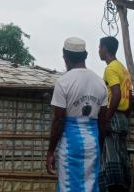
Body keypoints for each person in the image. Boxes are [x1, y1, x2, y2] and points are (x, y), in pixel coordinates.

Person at [46, 37, 108, 192]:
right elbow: (103, 121)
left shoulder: (63, 82)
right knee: (90, 186)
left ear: (65, 57)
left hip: (70, 144)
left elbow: (59, 120)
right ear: (85, 56)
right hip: (93, 144)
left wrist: (50, 151)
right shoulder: (100, 83)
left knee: (68, 186)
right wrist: (99, 149)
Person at [98, 37, 132, 192]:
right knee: (121, 158)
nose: (99, 51)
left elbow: (116, 95)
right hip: (123, 117)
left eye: (100, 47)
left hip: (115, 117)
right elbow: (128, 96)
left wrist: (106, 118)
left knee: (111, 160)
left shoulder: (110, 68)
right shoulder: (123, 68)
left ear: (105, 48)